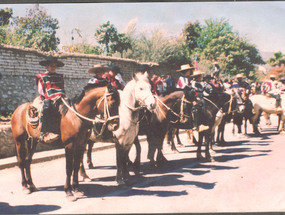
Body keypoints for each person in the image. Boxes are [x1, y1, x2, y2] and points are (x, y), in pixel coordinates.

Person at [36, 56, 66, 143]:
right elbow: (40, 90)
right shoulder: (42, 77)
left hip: (60, 97)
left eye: (55, 66)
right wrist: (48, 97)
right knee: (47, 108)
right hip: (47, 98)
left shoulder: (59, 77)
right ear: (47, 66)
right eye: (51, 65)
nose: (53, 67)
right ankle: (44, 132)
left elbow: (62, 88)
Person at [176, 64, 209, 132]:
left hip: (188, 94)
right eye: (189, 71)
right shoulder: (181, 78)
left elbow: (189, 87)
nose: (190, 72)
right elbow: (184, 87)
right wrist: (192, 89)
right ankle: (196, 125)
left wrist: (193, 88)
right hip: (183, 94)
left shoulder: (186, 78)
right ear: (186, 71)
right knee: (196, 106)